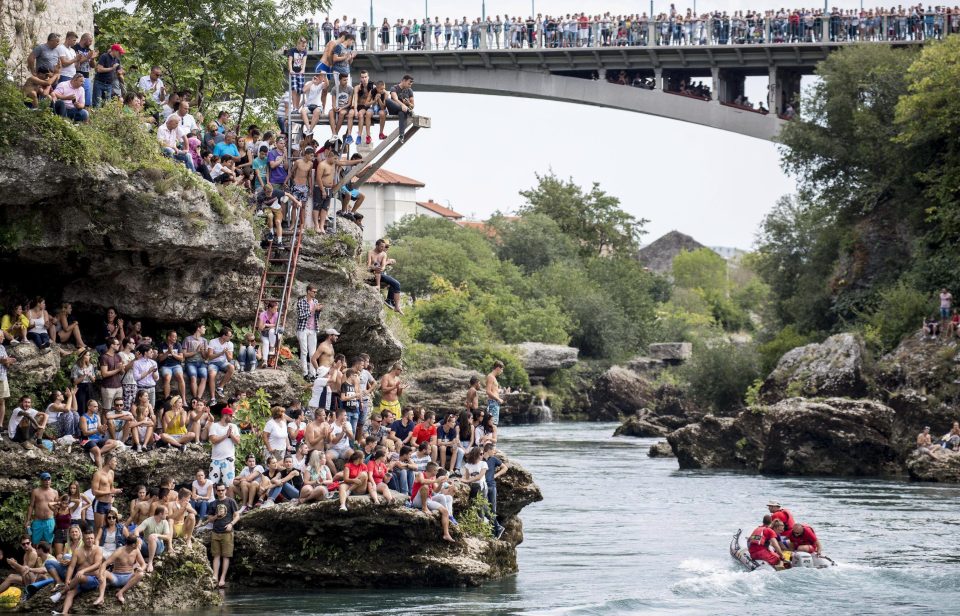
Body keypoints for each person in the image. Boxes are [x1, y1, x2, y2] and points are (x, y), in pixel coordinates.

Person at [58, 527, 103, 615]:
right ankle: (64, 612)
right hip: (79, 581)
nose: (90, 540)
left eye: (92, 538)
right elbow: (71, 567)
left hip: (92, 579)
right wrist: (67, 579)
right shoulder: (77, 551)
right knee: (70, 593)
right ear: (83, 539)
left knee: (79, 576)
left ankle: (62, 592)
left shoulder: (98, 549)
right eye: (87, 538)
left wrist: (83, 571)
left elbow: (97, 564)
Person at [92, 535, 144, 607]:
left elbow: (143, 564)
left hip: (129, 577)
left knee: (141, 574)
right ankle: (101, 597)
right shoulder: (119, 551)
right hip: (116, 577)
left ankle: (121, 592)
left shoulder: (136, 550)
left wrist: (142, 568)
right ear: (133, 545)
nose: (140, 544)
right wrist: (100, 575)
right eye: (138, 543)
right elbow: (104, 564)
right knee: (104, 572)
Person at [411, 462, 455, 542]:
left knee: (445, 504)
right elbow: (422, 481)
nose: (437, 472)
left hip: (428, 499)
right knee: (425, 486)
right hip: (417, 501)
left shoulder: (433, 477)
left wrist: (440, 483)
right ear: (432, 470)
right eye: (436, 470)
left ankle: (446, 533)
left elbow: (436, 490)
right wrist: (436, 480)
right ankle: (424, 508)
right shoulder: (420, 474)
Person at [208, 483, 239, 589]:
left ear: (225, 490)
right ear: (216, 491)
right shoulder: (213, 503)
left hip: (227, 533)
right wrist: (217, 515)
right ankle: (215, 577)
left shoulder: (231, 501)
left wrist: (231, 524)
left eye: (222, 490)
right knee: (215, 555)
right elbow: (210, 519)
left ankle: (222, 578)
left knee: (226, 556)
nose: (221, 492)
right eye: (219, 490)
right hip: (215, 531)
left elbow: (237, 516)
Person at [205, 406, 240, 493]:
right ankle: (212, 501)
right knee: (212, 482)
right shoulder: (215, 426)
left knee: (229, 483)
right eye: (230, 415)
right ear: (225, 416)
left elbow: (238, 442)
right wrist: (225, 435)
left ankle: (228, 503)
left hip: (229, 458)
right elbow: (213, 440)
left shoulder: (234, 426)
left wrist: (231, 434)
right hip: (216, 458)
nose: (232, 417)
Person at [296, 286, 323, 380]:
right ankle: (305, 373)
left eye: (316, 292)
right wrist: (313, 310)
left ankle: (313, 373)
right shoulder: (301, 302)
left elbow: (317, 317)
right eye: (314, 291)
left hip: (313, 329)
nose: (315, 293)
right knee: (304, 352)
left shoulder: (315, 301)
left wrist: (319, 310)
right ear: (308, 291)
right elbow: (301, 316)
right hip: (303, 329)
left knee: (313, 353)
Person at [135, 505, 172, 573]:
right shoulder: (148, 521)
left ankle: (150, 562)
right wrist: (138, 539)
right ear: (160, 514)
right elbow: (136, 530)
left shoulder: (165, 522)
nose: (167, 514)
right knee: (136, 539)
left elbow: (168, 537)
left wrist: (157, 535)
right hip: (146, 547)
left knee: (152, 537)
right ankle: (137, 562)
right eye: (166, 513)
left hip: (158, 547)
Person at [368, 239, 402, 313]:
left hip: (380, 273)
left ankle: (394, 303)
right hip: (371, 273)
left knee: (396, 284)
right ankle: (379, 287)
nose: (385, 248)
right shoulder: (371, 252)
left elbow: (383, 266)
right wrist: (387, 262)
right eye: (384, 247)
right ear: (378, 246)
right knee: (377, 266)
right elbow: (369, 265)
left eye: (386, 247)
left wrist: (388, 263)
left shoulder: (384, 254)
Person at [91, 454, 122, 535]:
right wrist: (110, 492)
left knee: (106, 527)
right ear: (109, 462)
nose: (116, 463)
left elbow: (111, 488)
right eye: (115, 461)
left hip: (108, 503)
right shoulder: (98, 474)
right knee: (99, 528)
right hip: (99, 503)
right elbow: (94, 492)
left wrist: (116, 491)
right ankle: (95, 546)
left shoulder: (111, 473)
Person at [26, 472, 58, 547]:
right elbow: (31, 506)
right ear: (41, 481)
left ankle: (49, 558)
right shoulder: (35, 491)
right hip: (37, 521)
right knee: (34, 542)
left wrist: (58, 519)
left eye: (48, 479)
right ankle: (35, 558)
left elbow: (57, 506)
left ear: (51, 480)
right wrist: (28, 520)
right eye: (45, 480)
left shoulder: (55, 492)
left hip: (49, 520)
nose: (47, 481)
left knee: (49, 543)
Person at [206, 327, 236, 402]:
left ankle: (220, 387)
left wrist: (226, 352)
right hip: (213, 362)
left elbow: (230, 359)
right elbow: (210, 356)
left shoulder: (230, 344)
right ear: (223, 336)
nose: (231, 337)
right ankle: (213, 398)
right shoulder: (213, 342)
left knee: (231, 367)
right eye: (229, 336)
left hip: (223, 363)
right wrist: (221, 353)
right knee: (212, 375)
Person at [158, 330, 188, 401]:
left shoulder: (178, 345)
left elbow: (181, 359)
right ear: (169, 337)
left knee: (180, 376)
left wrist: (173, 353)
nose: (176, 338)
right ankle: (167, 400)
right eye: (174, 337)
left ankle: (183, 399)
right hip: (165, 366)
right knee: (167, 378)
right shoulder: (162, 345)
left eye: (176, 337)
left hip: (176, 365)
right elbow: (160, 359)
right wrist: (168, 352)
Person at [386, 74, 415, 143]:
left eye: (411, 84)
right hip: (394, 109)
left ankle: (401, 136)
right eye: (409, 83)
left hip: (403, 111)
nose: (410, 85)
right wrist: (403, 105)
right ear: (404, 81)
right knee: (387, 100)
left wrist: (408, 104)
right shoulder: (394, 88)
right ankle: (408, 111)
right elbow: (395, 99)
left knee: (402, 113)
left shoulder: (410, 91)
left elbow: (412, 106)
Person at [256, 301, 279, 368]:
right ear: (269, 308)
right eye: (275, 309)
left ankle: (272, 347)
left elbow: (276, 325)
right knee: (265, 343)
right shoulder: (263, 314)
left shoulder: (277, 314)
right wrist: (269, 326)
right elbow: (260, 327)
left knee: (272, 331)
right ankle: (265, 361)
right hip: (265, 334)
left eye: (277, 309)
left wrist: (266, 324)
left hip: (274, 335)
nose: (276, 310)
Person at [485, 361, 505, 425]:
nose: (502, 371)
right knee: (493, 424)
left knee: (494, 423)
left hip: (495, 403)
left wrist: (498, 391)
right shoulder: (490, 376)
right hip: (493, 402)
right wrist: (498, 399)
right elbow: (488, 391)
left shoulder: (493, 377)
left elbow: (493, 390)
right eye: (502, 369)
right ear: (498, 368)